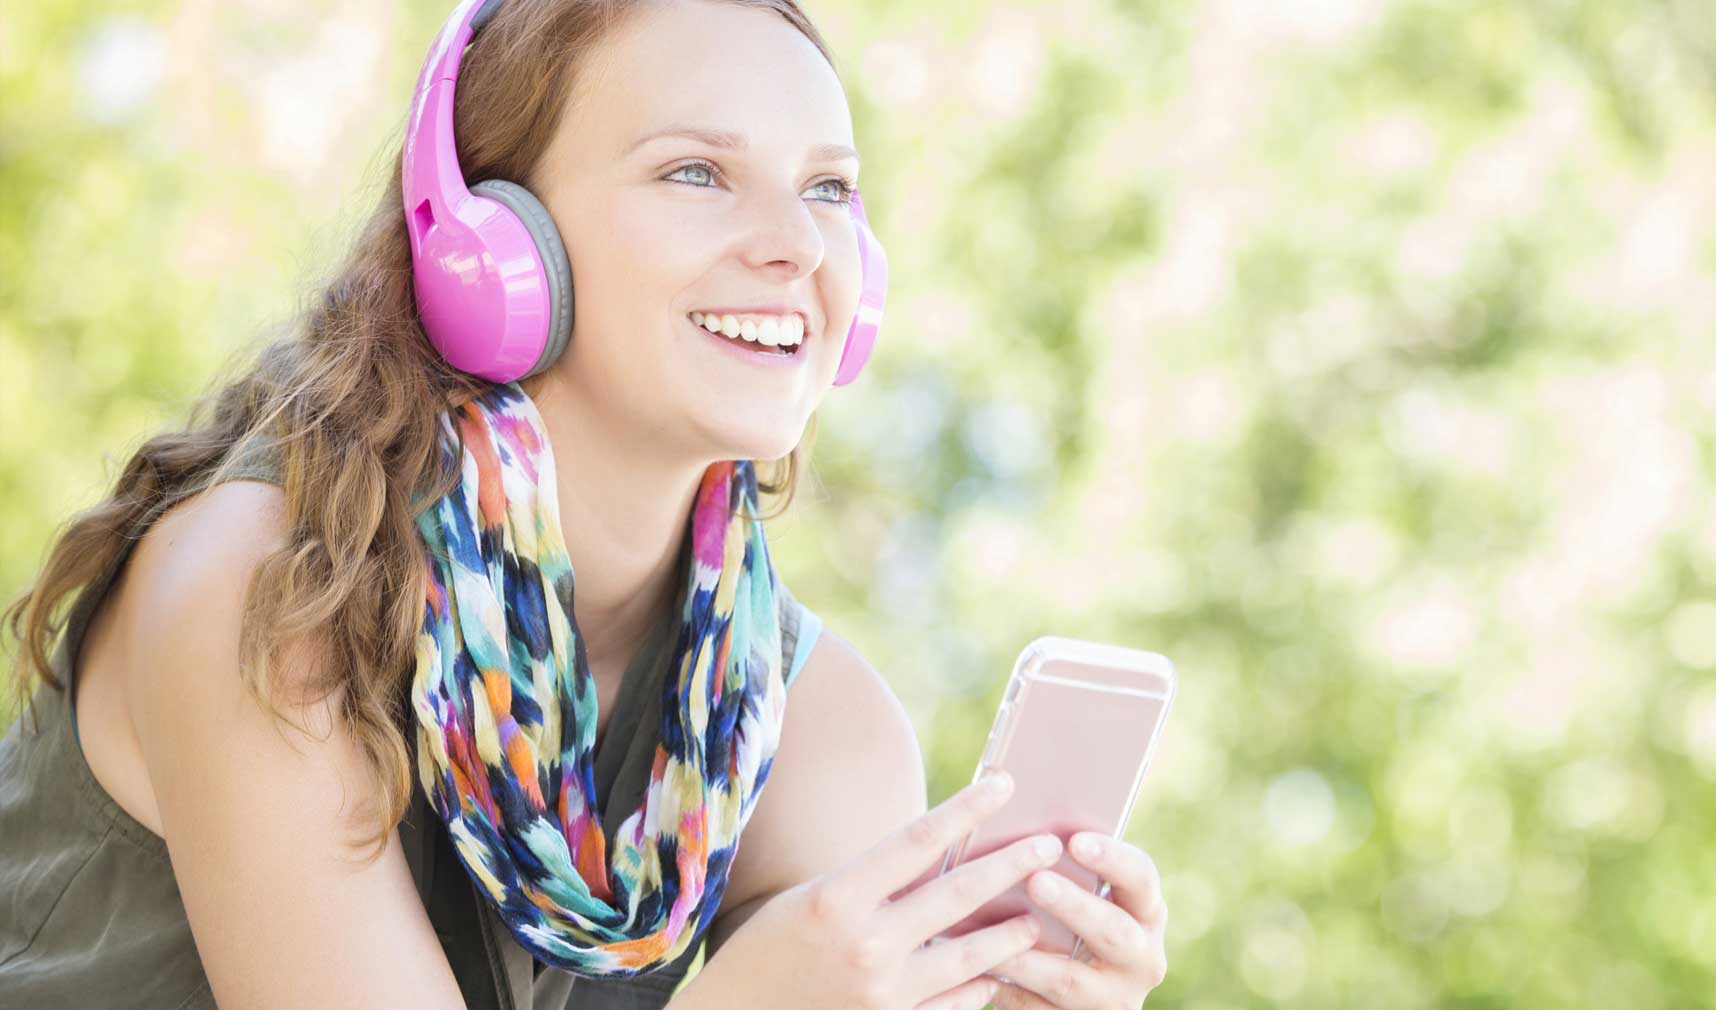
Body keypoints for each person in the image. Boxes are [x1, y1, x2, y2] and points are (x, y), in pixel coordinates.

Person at [0, 1, 1170, 1008]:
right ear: (491, 246)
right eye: (696, 172)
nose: (794, 246)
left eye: (828, 189)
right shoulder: (271, 586)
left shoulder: (818, 728)